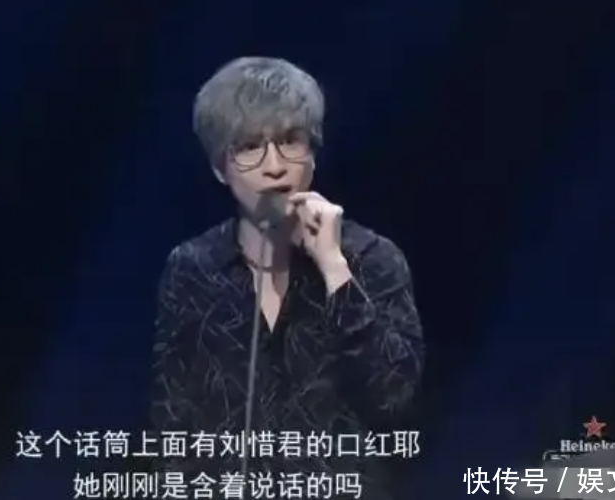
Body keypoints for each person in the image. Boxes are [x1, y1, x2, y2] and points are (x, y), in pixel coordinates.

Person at [149, 56, 424, 499]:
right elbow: (173, 423)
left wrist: (334, 268)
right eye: (249, 147)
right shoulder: (193, 268)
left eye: (290, 141)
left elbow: (394, 399)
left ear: (313, 154)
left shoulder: (372, 260)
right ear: (219, 167)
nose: (274, 165)